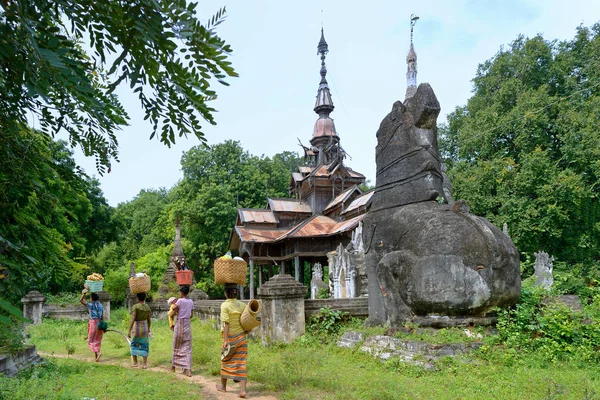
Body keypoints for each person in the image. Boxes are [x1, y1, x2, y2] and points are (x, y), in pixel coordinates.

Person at [216, 284, 248, 398]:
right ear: (236, 293)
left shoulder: (225, 305)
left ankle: (223, 387)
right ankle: (243, 391)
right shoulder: (242, 305)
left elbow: (226, 324)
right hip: (242, 338)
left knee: (224, 361)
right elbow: (247, 320)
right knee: (242, 364)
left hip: (230, 338)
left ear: (226, 293)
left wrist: (225, 340)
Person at [171, 285, 194, 377]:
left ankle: (173, 367)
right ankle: (188, 369)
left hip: (179, 323)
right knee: (187, 347)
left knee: (176, 345)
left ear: (181, 292)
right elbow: (191, 315)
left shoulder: (179, 301)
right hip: (187, 324)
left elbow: (173, 310)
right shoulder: (191, 301)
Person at [79, 288, 104, 362]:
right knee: (97, 339)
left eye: (90, 297)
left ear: (92, 299)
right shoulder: (100, 305)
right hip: (99, 322)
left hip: (93, 323)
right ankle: (96, 357)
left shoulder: (91, 305)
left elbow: (81, 301)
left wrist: (83, 293)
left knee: (91, 340)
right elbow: (102, 316)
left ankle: (98, 353)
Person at [128, 292, 151, 369]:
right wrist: (149, 329)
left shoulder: (135, 307)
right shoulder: (147, 307)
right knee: (144, 344)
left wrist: (129, 330)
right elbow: (149, 320)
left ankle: (135, 362)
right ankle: (144, 364)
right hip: (144, 327)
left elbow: (133, 318)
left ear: (137, 298)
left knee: (134, 344)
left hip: (137, 327)